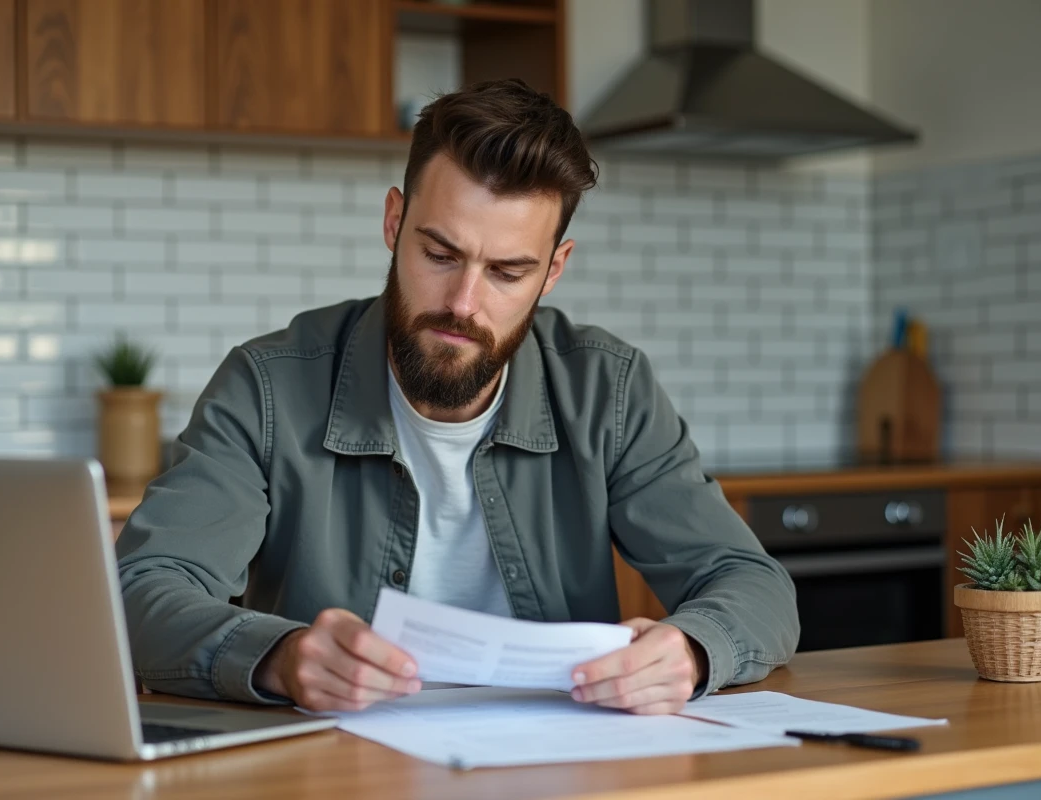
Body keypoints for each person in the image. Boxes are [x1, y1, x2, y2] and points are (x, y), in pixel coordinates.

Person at [116, 79, 798, 717]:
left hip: (558, 769)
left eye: (507, 272)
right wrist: (282, 658)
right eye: (439, 255)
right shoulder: (267, 386)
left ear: (553, 270)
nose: (463, 305)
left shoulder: (607, 390)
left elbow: (753, 586)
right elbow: (141, 592)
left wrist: (690, 649)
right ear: (394, 222)